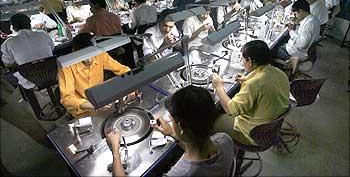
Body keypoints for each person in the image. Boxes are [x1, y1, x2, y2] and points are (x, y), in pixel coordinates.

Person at [106, 85, 235, 177]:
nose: (170, 123)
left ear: (181, 127)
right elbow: (198, 147)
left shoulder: (181, 173)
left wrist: (115, 151)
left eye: (172, 121)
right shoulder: (224, 139)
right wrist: (173, 134)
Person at [212, 40, 290, 145]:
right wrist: (247, 80)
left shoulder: (253, 85)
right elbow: (264, 84)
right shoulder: (279, 73)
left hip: (254, 134)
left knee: (213, 120)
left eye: (242, 58)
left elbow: (231, 109)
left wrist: (219, 87)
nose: (242, 61)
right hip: (270, 127)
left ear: (250, 61)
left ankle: (222, 152)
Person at [58, 33, 131, 118]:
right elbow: (67, 99)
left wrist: (130, 88)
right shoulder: (67, 67)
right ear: (74, 52)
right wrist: (93, 105)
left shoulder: (99, 54)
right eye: (84, 56)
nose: (89, 59)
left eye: (91, 54)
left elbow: (123, 69)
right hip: (83, 112)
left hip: (102, 102)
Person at [1, 13, 54, 89]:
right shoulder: (43, 35)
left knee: (7, 77)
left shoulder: (8, 43)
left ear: (13, 27)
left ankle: (28, 97)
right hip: (52, 75)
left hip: (30, 81)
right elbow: (52, 50)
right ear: (29, 24)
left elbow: (8, 64)